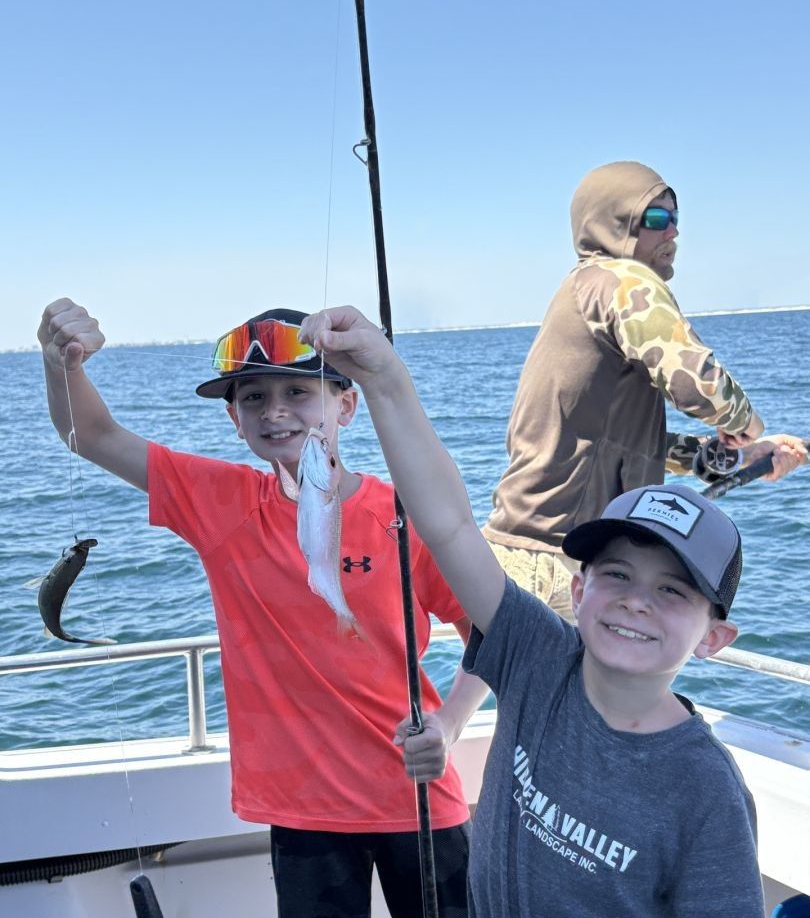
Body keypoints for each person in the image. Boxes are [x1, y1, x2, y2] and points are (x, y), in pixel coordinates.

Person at [298, 305, 767, 917]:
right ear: (577, 592)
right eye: (617, 574)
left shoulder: (707, 792)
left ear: (714, 638)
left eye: (673, 591)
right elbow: (449, 525)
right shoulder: (537, 655)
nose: (635, 600)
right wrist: (385, 379)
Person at [38, 298, 490, 918]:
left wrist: (449, 724)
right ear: (234, 420)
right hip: (302, 810)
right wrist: (61, 361)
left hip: (417, 793)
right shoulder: (221, 503)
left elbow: (488, 632)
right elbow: (89, 434)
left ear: (348, 405)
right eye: (253, 398)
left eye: (299, 391)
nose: (275, 411)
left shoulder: (407, 515)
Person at [482, 161, 807, 620]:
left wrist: (738, 457)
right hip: (557, 560)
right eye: (656, 218)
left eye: (676, 218)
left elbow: (625, 444)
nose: (672, 232)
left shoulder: (583, 293)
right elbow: (698, 382)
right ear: (615, 221)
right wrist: (748, 426)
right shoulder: (622, 280)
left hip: (529, 555)